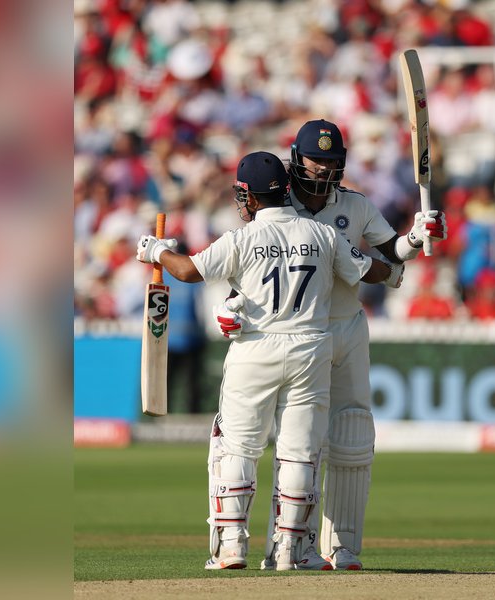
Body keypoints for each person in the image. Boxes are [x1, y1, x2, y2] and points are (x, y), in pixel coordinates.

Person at [135, 151, 402, 571]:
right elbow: (366, 268)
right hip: (311, 349)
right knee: (300, 451)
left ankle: (230, 549)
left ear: (252, 197)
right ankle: (290, 552)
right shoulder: (321, 234)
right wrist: (394, 270)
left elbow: (187, 271)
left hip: (255, 349)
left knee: (237, 446)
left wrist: (156, 252)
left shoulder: (241, 238)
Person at [217, 120, 447, 570]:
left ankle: (340, 546)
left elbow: (389, 252)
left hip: (345, 328)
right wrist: (230, 308)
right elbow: (246, 269)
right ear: (295, 159)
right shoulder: (272, 204)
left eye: (329, 161)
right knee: (282, 442)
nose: (321, 168)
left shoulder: (356, 206)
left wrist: (418, 237)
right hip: (292, 334)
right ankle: (280, 546)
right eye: (313, 160)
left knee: (352, 435)